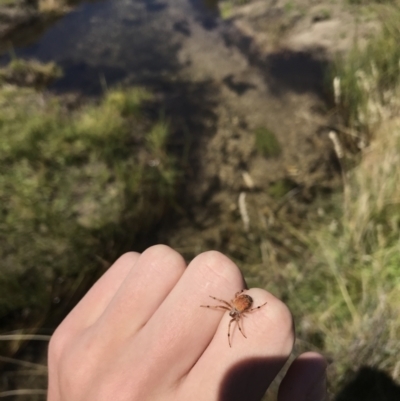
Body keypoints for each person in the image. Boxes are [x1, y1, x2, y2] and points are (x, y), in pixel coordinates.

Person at [47, 245, 327, 401]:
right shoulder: (231, 310)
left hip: (244, 304)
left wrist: (242, 313)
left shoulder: (237, 313)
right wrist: (223, 308)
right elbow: (232, 306)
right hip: (241, 303)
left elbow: (241, 312)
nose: (230, 317)